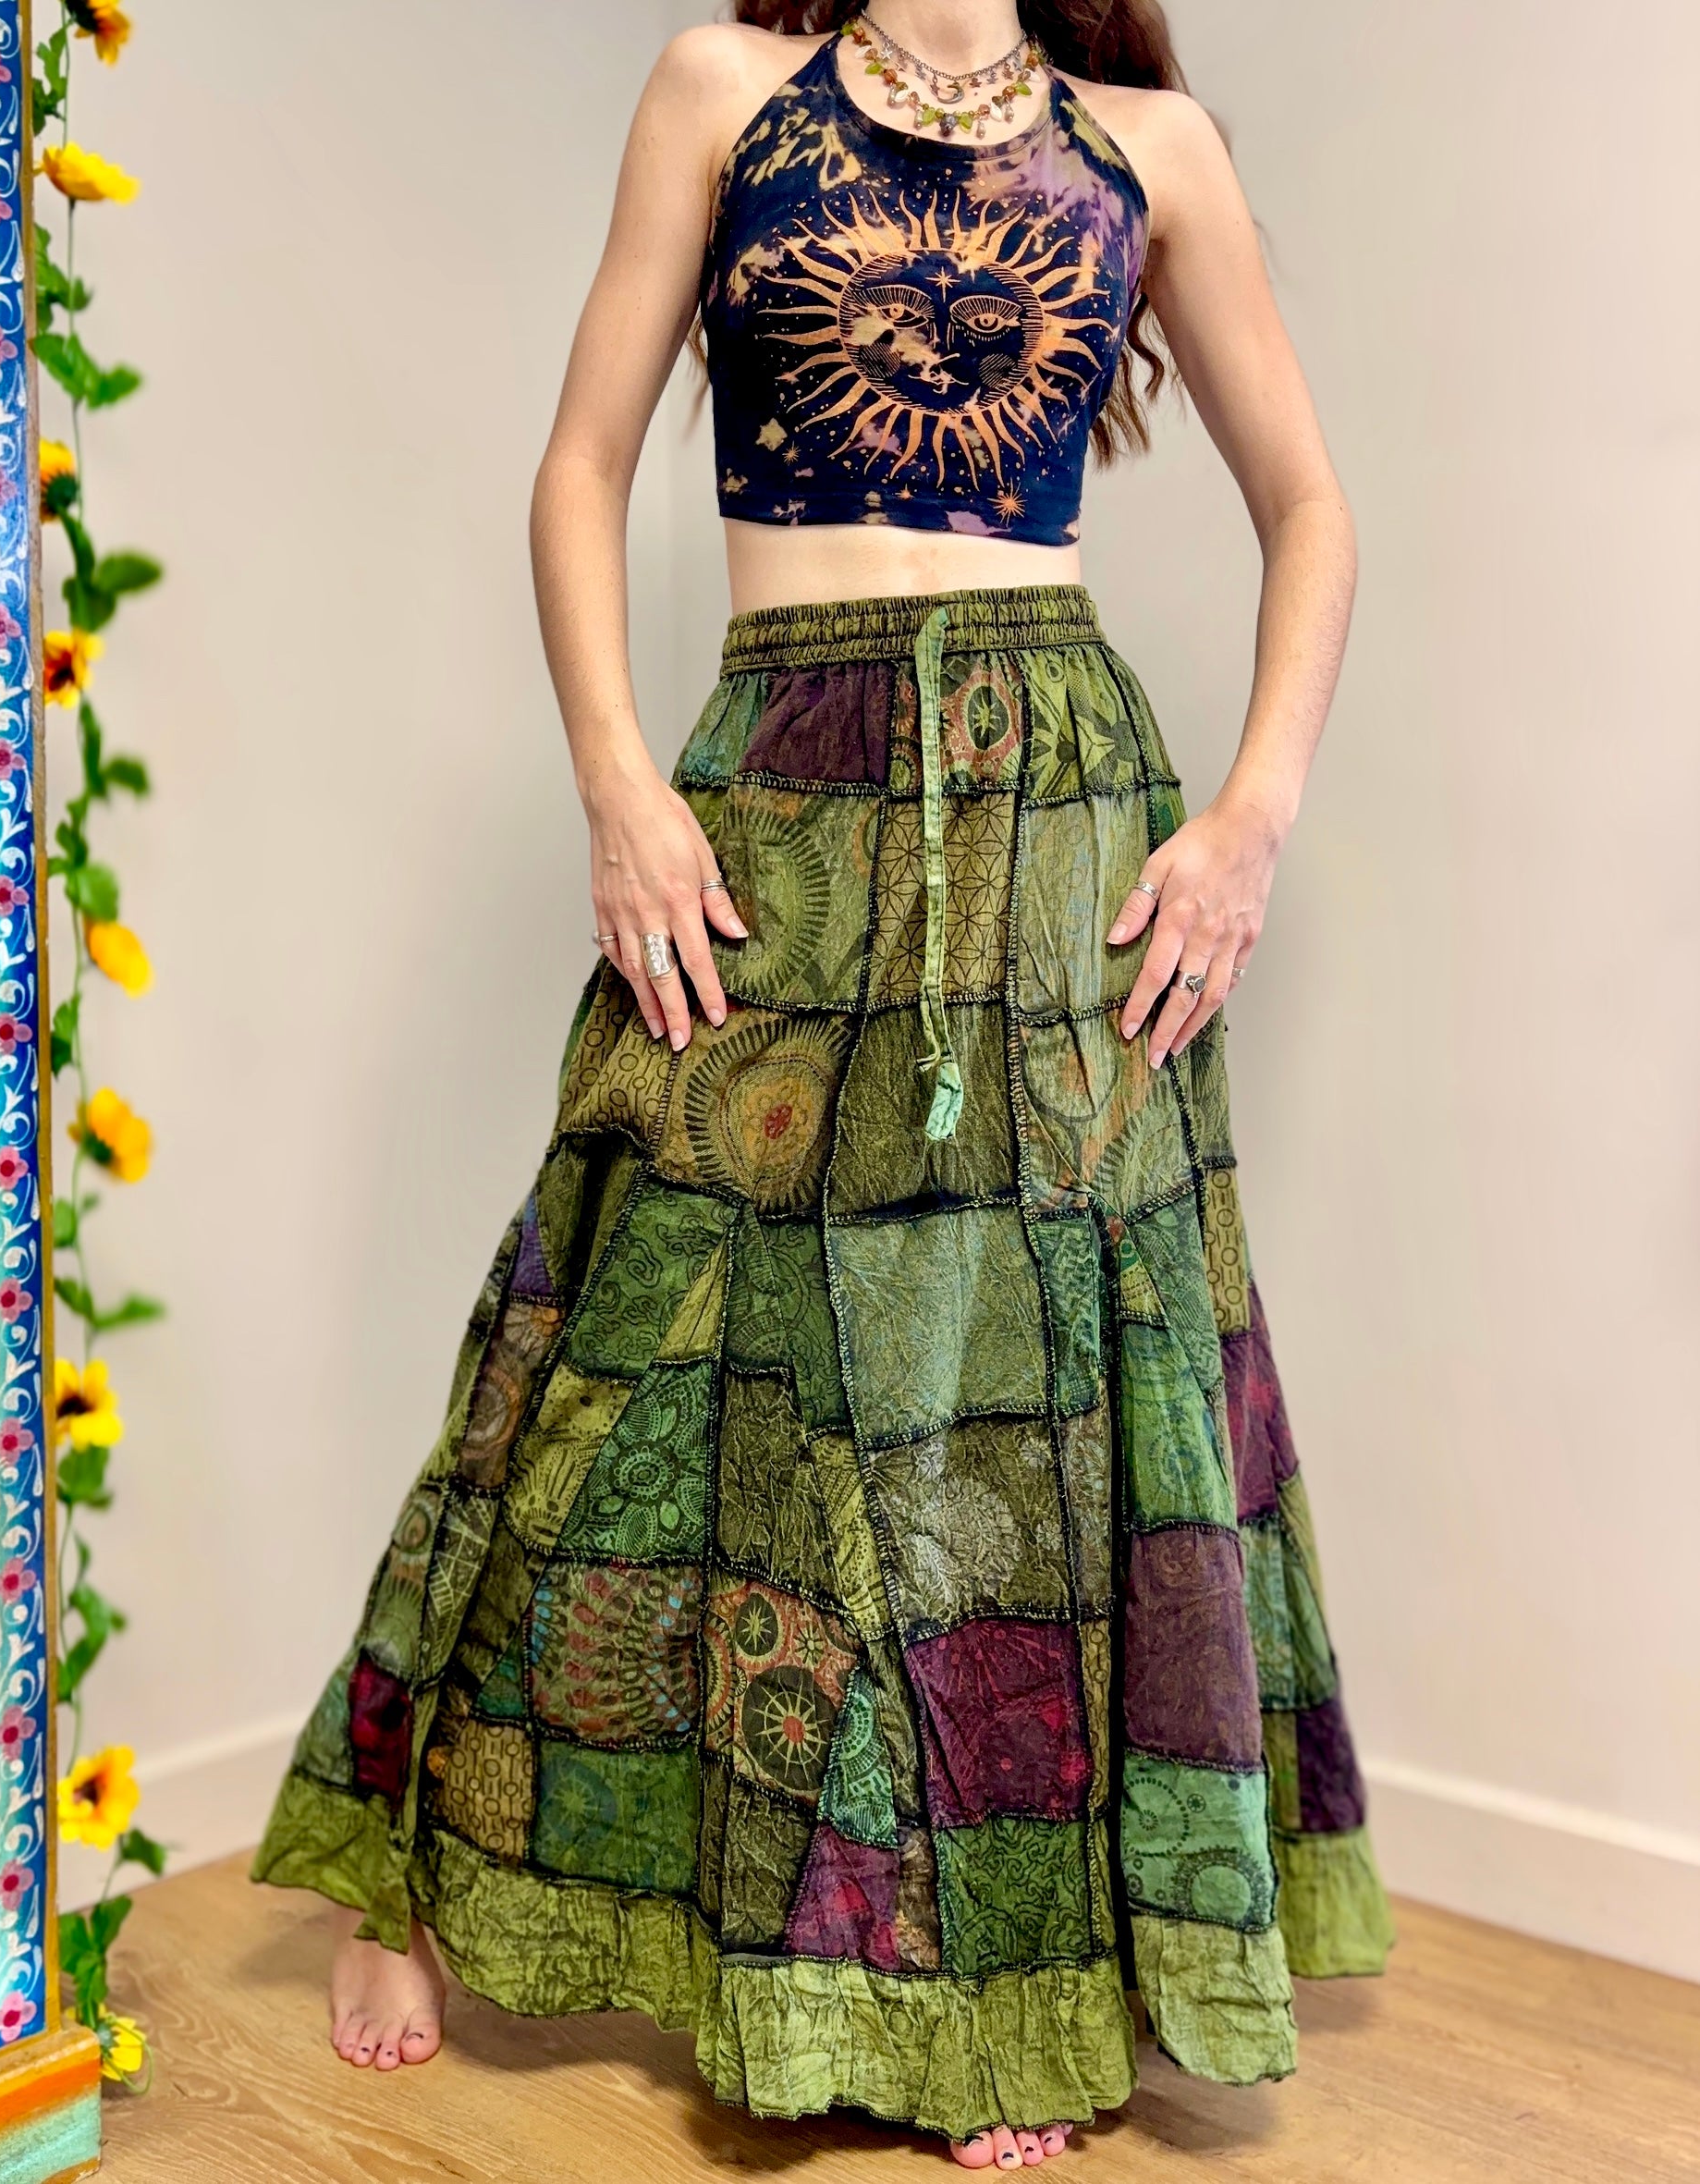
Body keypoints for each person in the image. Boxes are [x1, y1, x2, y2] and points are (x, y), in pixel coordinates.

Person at [253, 1, 1394, 2167]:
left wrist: (1251, 816)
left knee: (1009, 1413)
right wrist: (617, 784)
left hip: (1051, 813)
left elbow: (1313, 501)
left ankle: (992, 1988)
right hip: (775, 778)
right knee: (623, 1330)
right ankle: (409, 1873)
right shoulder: (724, 91)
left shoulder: (1148, 147)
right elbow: (579, 464)